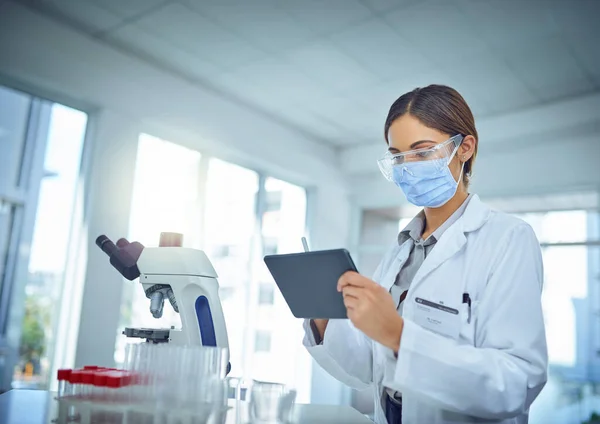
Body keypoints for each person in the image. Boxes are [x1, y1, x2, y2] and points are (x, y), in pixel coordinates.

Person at [302, 85, 548, 424]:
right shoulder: (401, 249)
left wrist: (399, 336)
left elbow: (515, 384)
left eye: (422, 151)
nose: (408, 167)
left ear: (464, 148)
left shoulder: (507, 239)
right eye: (398, 156)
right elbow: (371, 369)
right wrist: (323, 318)